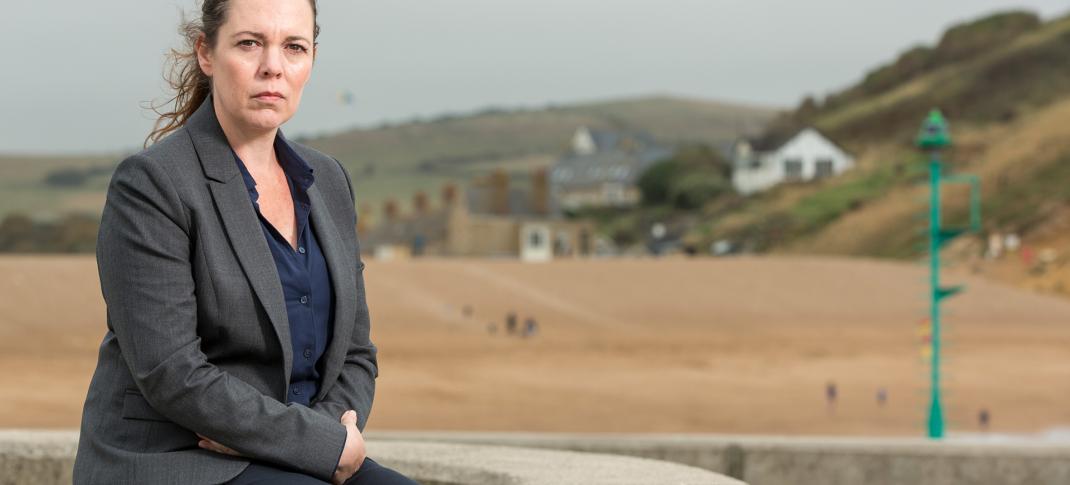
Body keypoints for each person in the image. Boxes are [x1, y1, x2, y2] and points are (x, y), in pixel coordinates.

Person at [72, 1, 418, 484]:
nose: (272, 66)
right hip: (179, 456)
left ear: (310, 61)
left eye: (293, 47)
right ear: (206, 53)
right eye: (249, 43)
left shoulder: (329, 181)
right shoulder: (152, 184)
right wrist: (318, 447)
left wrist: (319, 440)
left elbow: (356, 353)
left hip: (296, 451)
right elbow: (172, 373)